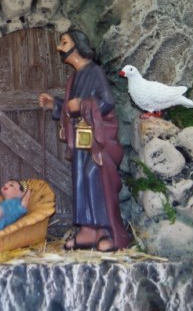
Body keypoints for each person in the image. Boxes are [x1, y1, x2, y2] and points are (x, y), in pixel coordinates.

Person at [39, 29, 130, 251]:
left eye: (64, 42)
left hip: (98, 142)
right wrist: (56, 105)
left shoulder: (95, 72)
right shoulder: (74, 78)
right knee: (81, 180)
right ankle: (88, 230)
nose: (59, 48)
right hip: (82, 140)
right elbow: (72, 108)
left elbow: (106, 103)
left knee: (95, 178)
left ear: (78, 46)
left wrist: (82, 105)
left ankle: (107, 231)